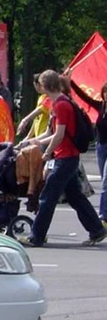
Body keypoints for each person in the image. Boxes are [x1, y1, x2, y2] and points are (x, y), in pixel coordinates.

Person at [18, 70, 106, 247]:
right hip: (66, 156)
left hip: (66, 158)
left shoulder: (61, 106)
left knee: (47, 197)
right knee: (75, 197)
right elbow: (51, 132)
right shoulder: (57, 103)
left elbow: (59, 134)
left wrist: (46, 152)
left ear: (44, 86)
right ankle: (97, 229)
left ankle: (37, 236)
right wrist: (33, 141)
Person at [69, 79, 107, 225]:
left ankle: (103, 216)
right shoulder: (100, 106)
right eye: (105, 92)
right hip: (101, 146)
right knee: (105, 178)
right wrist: (71, 82)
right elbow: (84, 97)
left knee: (105, 183)